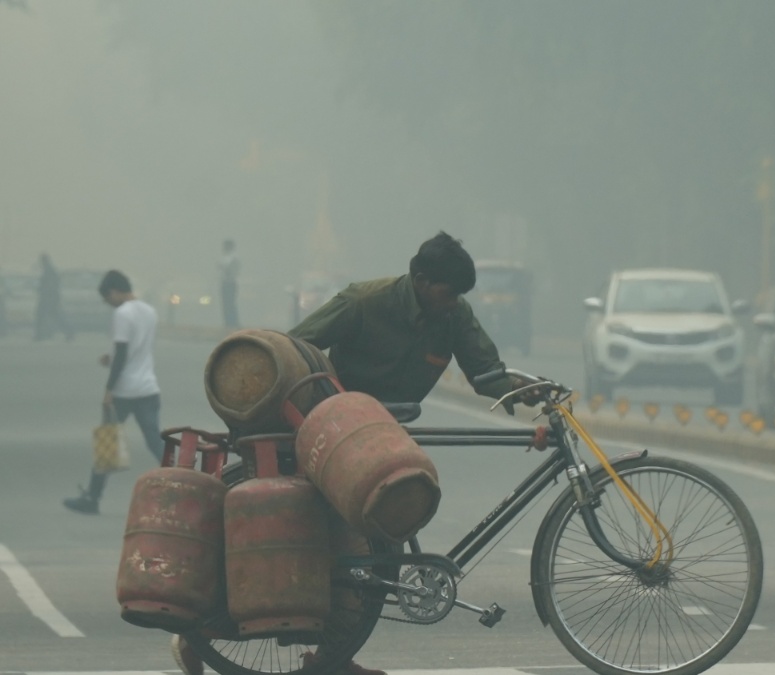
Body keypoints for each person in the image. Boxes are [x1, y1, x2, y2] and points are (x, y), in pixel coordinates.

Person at [171, 232, 536, 675]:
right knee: (308, 546)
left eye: (458, 295)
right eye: (447, 292)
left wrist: (524, 390)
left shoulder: (453, 315)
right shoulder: (364, 301)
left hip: (383, 439)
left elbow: (485, 372)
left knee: (382, 548)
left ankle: (330, 658)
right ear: (420, 280)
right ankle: (200, 631)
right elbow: (294, 349)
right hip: (331, 436)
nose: (453, 302)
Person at [63, 270, 162, 515]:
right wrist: (113, 358)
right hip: (148, 388)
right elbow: (134, 351)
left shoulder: (122, 314)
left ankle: (92, 499)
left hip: (124, 391)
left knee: (107, 444)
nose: (108, 304)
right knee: (156, 443)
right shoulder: (149, 311)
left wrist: (109, 389)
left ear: (114, 291)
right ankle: (188, 484)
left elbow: (123, 353)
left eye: (107, 299)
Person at [34, 253, 74, 341]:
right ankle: (39, 335)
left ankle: (69, 332)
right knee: (44, 317)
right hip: (48, 299)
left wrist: (43, 292)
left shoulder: (49, 271)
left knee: (53, 317)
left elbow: (50, 286)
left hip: (49, 299)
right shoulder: (48, 270)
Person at [218, 238, 240, 328]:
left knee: (230, 303)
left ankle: (233, 323)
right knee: (225, 303)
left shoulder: (234, 257)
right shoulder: (223, 257)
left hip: (230, 282)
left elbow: (232, 271)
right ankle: (227, 323)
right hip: (224, 282)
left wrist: (225, 270)